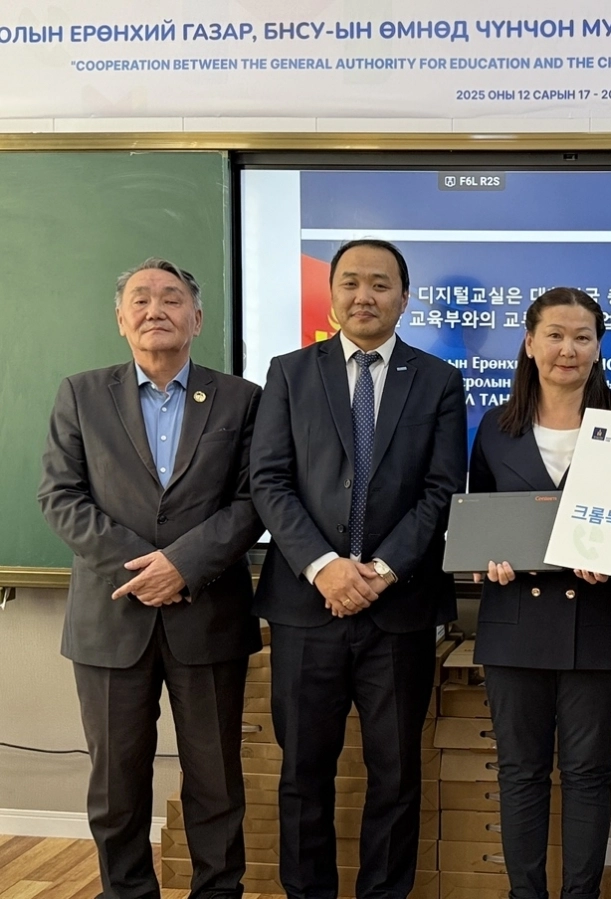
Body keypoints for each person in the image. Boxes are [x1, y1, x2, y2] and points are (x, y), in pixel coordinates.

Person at [38, 258, 263, 899]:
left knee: (216, 784)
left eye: (171, 298)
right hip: (111, 619)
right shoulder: (81, 394)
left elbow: (253, 499)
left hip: (209, 616)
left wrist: (183, 566)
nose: (155, 309)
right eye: (140, 299)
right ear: (120, 319)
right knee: (116, 787)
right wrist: (144, 570)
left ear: (197, 318)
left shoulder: (241, 399)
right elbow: (60, 497)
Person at [250, 239, 467, 899]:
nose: (363, 296)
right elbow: (269, 480)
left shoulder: (438, 379)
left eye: (379, 283)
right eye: (350, 282)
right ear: (332, 293)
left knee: (396, 775)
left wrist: (382, 569)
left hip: (399, 608)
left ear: (404, 297)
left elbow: (440, 489)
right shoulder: (289, 372)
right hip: (305, 607)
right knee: (303, 773)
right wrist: (324, 568)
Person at [469, 287, 611, 899]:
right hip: (514, 623)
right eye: (555, 335)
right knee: (520, 773)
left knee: (589, 774)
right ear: (529, 343)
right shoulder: (495, 428)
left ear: (598, 347)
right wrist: (486, 563)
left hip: (600, 623)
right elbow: (479, 522)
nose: (568, 349)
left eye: (582, 337)